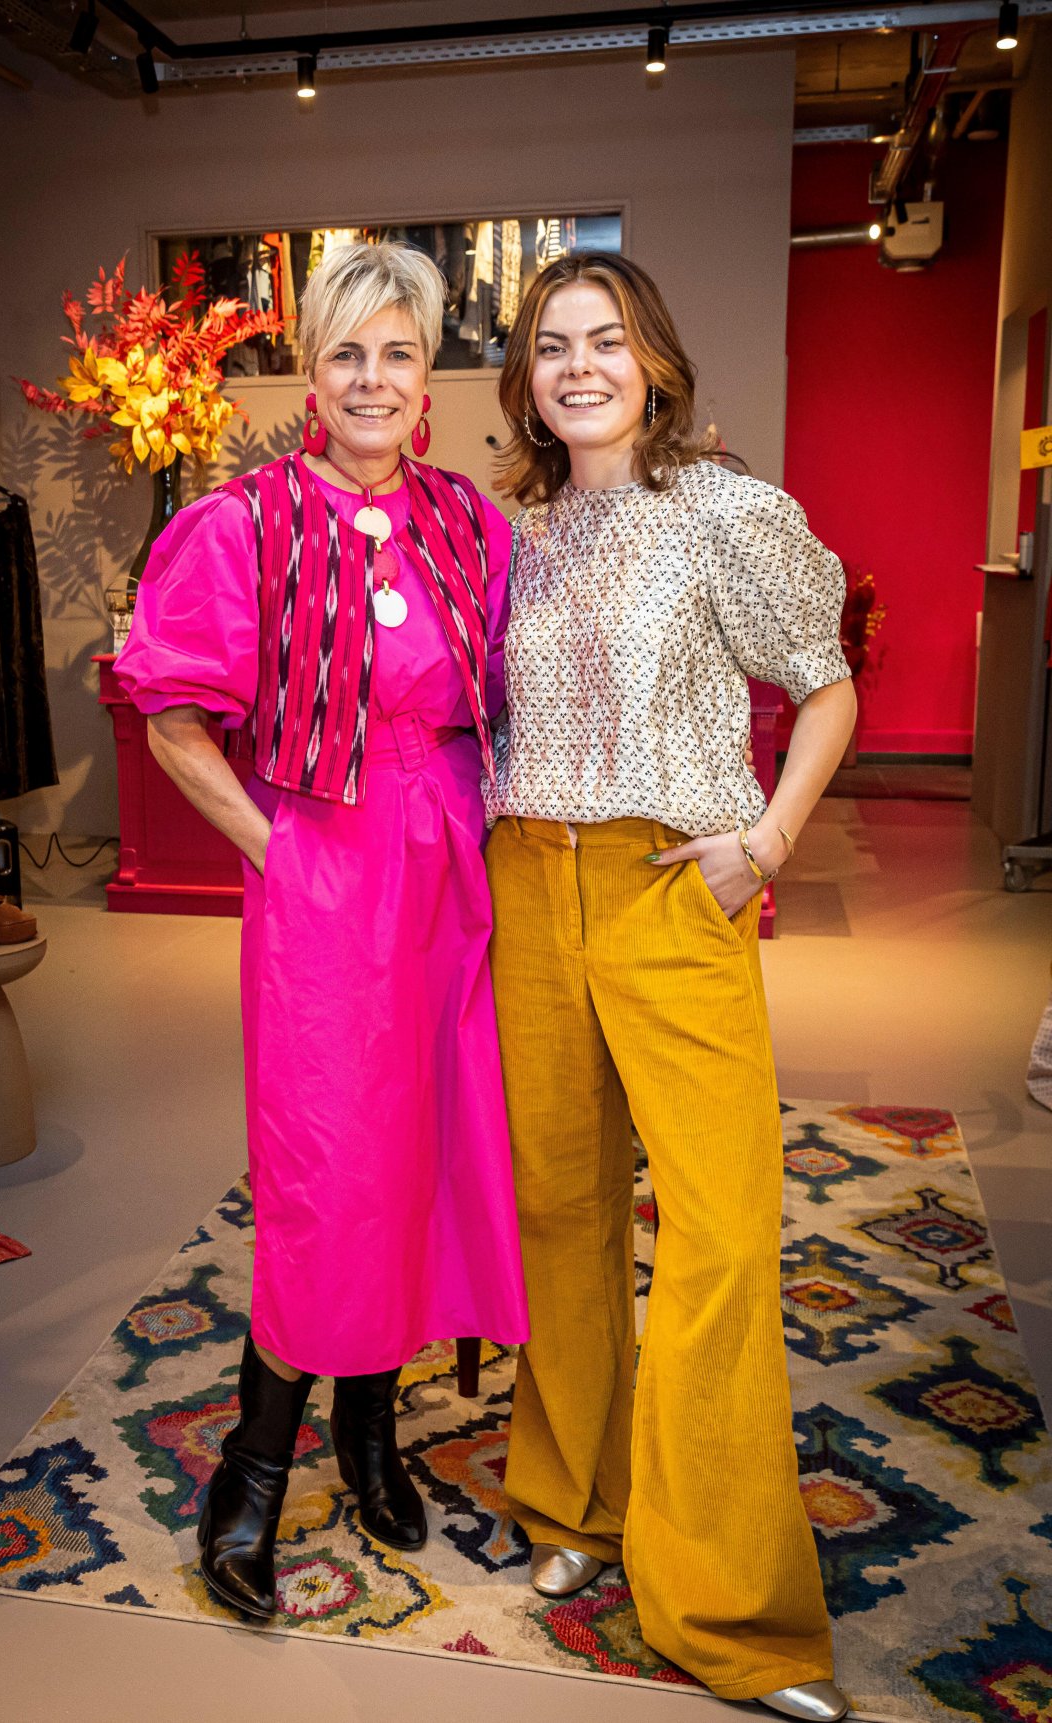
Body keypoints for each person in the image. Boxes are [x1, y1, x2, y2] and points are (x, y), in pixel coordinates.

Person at [114, 241, 527, 1620]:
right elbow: (172, 720)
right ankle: (254, 1467)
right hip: (326, 882)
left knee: (421, 1153)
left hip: (453, 872)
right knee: (326, 1171)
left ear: (428, 382)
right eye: (346, 352)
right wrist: (278, 854)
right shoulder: (243, 524)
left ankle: (371, 1433)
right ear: (312, 375)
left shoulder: (471, 523)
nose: (371, 379)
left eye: (397, 355)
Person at [485, 252, 856, 1721]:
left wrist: (767, 843)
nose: (579, 366)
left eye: (606, 340)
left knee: (718, 1231)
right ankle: (576, 1504)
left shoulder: (722, 511)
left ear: (652, 358)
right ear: (525, 377)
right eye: (552, 345)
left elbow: (825, 683)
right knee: (562, 1212)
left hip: (667, 885)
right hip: (530, 888)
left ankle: (729, 1608)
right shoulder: (509, 535)